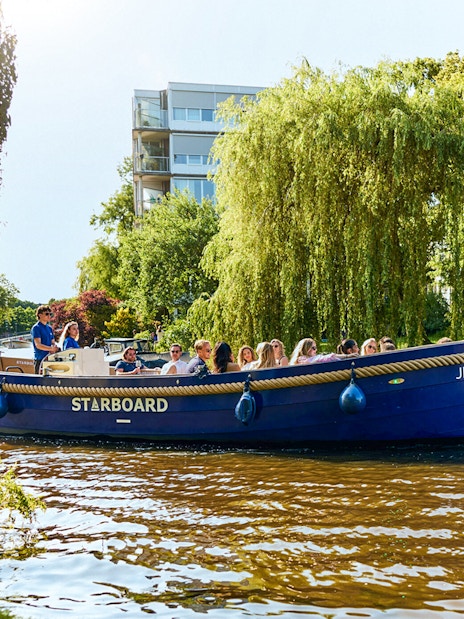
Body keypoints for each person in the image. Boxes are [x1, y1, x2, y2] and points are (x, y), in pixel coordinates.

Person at [31, 305, 59, 374]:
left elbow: (52, 342)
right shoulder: (36, 328)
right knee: (39, 382)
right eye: (47, 314)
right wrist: (51, 349)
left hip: (49, 359)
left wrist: (55, 347)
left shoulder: (49, 328)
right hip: (40, 359)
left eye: (50, 314)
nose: (49, 316)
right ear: (40, 315)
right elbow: (38, 345)